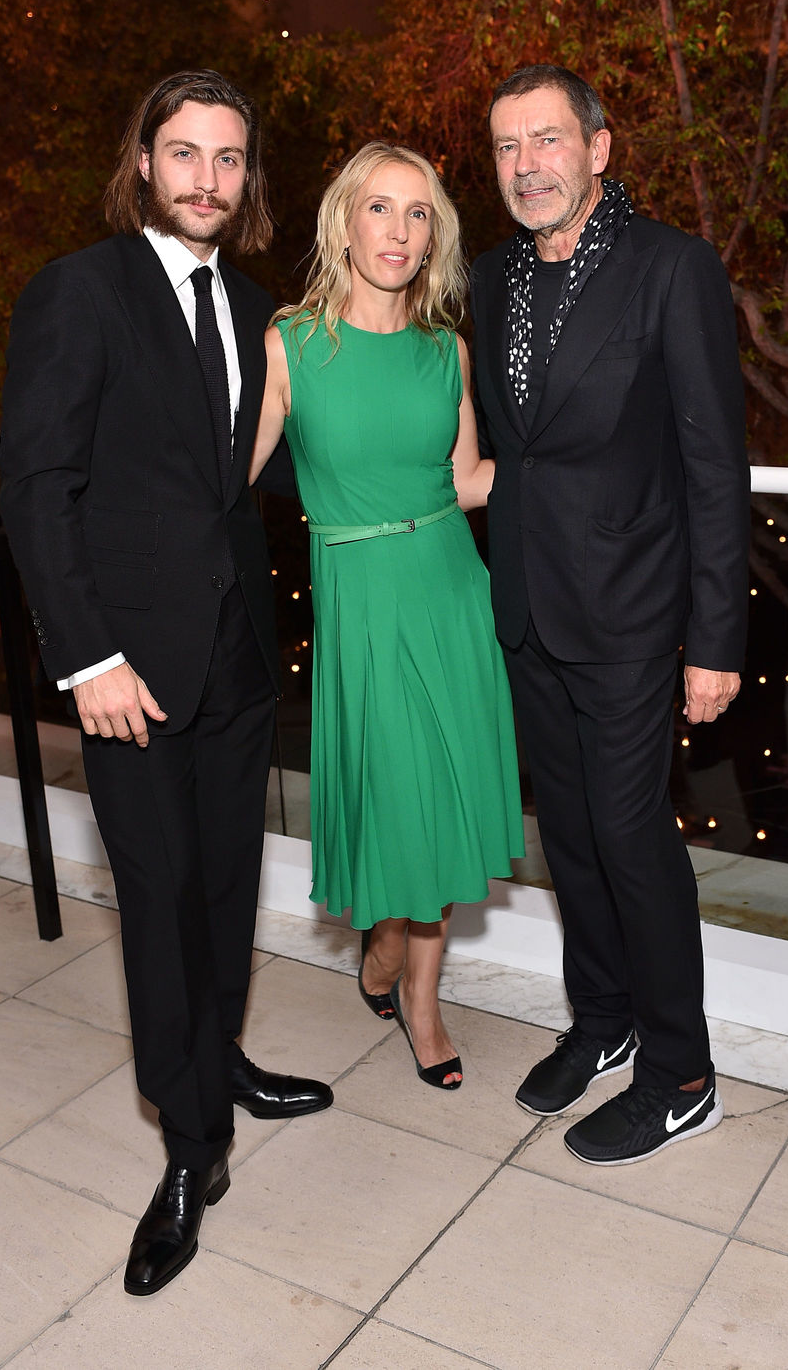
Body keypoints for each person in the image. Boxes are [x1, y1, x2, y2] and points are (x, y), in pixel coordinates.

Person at [0, 69, 332, 1296]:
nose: (206, 177)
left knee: (224, 888)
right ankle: (193, 1150)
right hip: (125, 673)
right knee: (156, 901)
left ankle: (219, 1055)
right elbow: (38, 489)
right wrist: (84, 655)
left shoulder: (257, 308)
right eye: (183, 152)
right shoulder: (78, 294)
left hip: (237, 658)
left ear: (249, 178)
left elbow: (253, 477)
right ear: (143, 160)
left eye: (229, 158)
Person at [472, 64, 749, 1164]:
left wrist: (716, 638)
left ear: (599, 147)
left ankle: (683, 1073)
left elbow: (713, 466)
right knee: (571, 838)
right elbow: (511, 449)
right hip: (529, 608)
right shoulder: (493, 278)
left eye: (546, 140)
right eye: (506, 146)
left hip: (635, 616)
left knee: (634, 842)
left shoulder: (672, 270)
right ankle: (603, 1022)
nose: (526, 164)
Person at [250, 142, 524, 1089]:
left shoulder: (446, 351)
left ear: (435, 232)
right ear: (344, 222)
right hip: (363, 601)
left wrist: (572, 457)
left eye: (417, 213)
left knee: (444, 804)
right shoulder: (292, 344)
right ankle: (381, 960)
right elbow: (224, 479)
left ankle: (418, 1000)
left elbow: (466, 481)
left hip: (452, 590)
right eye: (379, 208)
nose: (398, 231)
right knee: (400, 795)